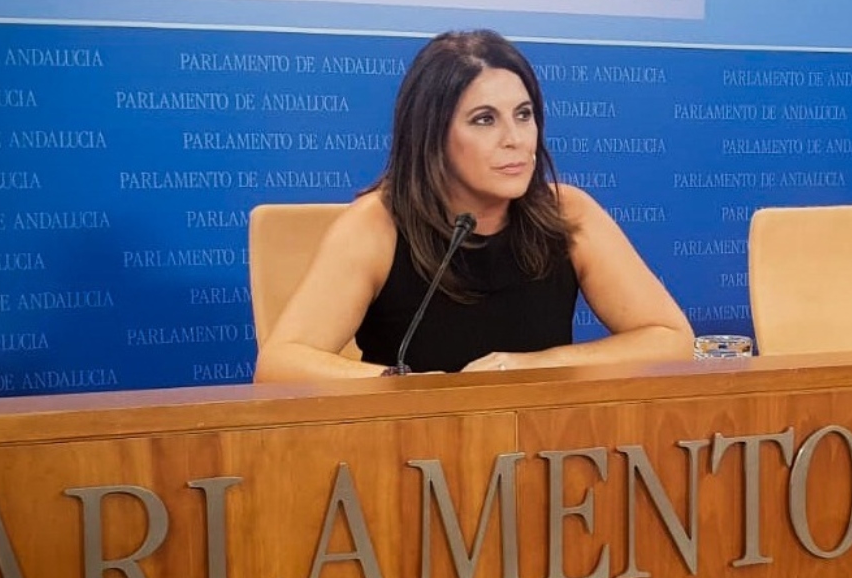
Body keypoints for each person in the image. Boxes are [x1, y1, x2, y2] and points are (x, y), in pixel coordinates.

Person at [254, 29, 694, 380]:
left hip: (545, 457)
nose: (515, 139)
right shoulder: (379, 224)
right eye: (485, 120)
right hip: (412, 460)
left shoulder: (566, 214)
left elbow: (670, 339)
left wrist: (533, 365)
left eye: (524, 115)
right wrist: (403, 385)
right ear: (433, 136)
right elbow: (280, 367)